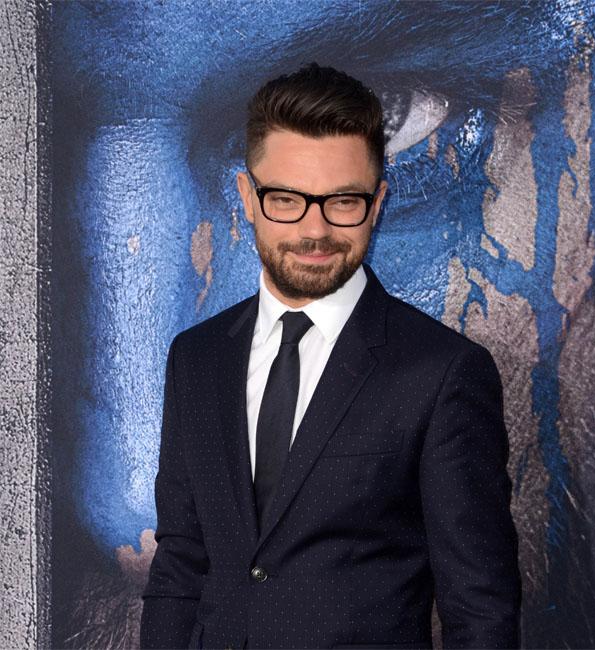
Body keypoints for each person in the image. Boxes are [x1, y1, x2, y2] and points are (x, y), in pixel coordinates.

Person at [140, 62, 521, 650]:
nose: (314, 230)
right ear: (247, 198)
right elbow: (181, 567)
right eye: (286, 199)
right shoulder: (196, 358)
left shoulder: (443, 372)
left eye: (343, 201)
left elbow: (481, 610)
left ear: (377, 202)